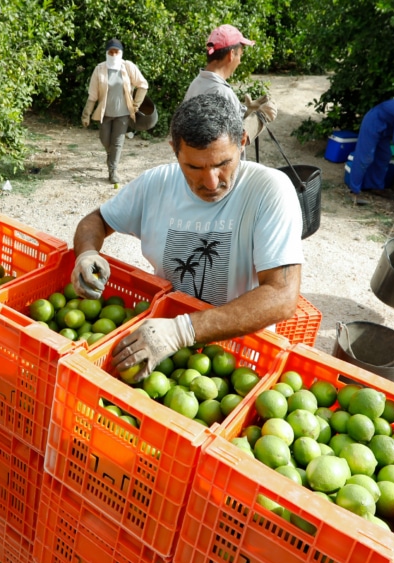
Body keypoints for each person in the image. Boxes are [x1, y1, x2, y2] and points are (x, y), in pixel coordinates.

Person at [71, 92, 303, 380]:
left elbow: (282, 295)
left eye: (223, 163)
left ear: (243, 141)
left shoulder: (270, 190)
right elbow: (97, 220)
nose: (210, 181)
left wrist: (183, 331)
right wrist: (87, 253)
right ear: (174, 150)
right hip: (159, 346)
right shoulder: (156, 184)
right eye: (194, 167)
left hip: (240, 356)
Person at [82, 38, 150, 184]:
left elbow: (143, 85)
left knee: (118, 143)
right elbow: (92, 95)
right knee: (104, 139)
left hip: (123, 114)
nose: (113, 54)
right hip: (105, 113)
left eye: (116, 52)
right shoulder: (99, 69)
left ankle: (113, 171)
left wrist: (136, 104)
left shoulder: (128, 66)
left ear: (121, 53)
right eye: (110, 52)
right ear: (107, 53)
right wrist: (86, 115)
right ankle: (110, 155)